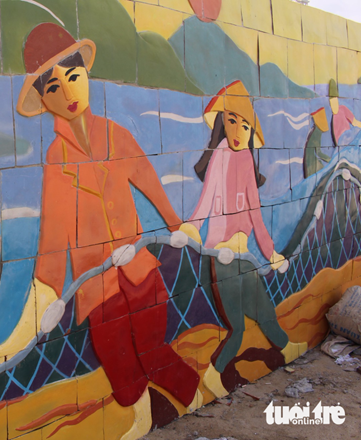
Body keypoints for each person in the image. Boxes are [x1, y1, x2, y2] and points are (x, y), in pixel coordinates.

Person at [17, 23, 200, 438]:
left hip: (140, 268)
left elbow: (147, 177)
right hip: (95, 287)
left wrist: (175, 222)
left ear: (86, 76)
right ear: (45, 100)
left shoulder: (115, 134)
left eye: (74, 78)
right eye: (54, 88)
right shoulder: (56, 159)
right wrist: (47, 288)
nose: (68, 94)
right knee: (119, 365)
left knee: (155, 350)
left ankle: (194, 392)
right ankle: (141, 419)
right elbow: (54, 229)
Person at [179, 81, 307, 398]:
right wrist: (192, 226)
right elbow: (207, 200)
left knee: (264, 312)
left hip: (244, 256)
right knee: (236, 327)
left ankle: (288, 346)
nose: (238, 130)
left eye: (245, 124)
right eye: (232, 121)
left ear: (252, 132)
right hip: (222, 258)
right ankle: (214, 374)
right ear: (223, 121)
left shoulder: (246, 160)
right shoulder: (221, 155)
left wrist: (271, 252)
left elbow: (254, 213)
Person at [329, 79, 361, 147]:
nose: (333, 104)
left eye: (334, 100)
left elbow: (354, 122)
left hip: (349, 137)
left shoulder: (343, 109)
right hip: (344, 141)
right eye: (331, 102)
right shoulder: (331, 117)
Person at [302, 107, 331, 179]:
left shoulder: (315, 131)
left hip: (311, 163)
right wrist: (331, 160)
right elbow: (318, 153)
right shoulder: (317, 133)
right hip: (312, 165)